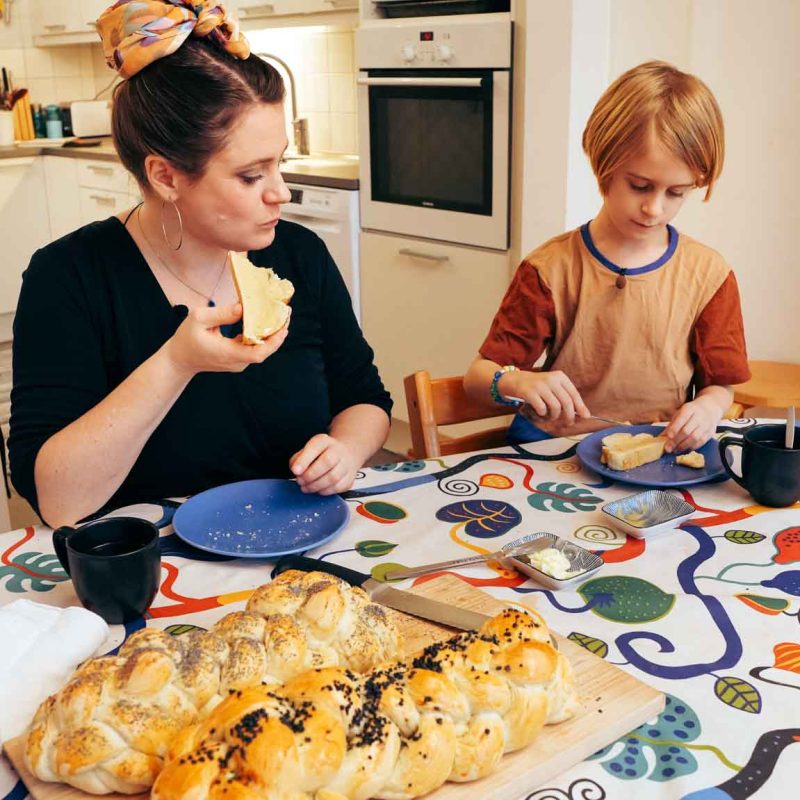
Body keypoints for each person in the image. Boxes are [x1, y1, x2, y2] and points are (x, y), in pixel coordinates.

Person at [9, 0, 391, 528]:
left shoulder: (300, 256)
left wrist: (345, 450)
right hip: (155, 573)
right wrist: (176, 362)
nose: (281, 192)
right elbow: (59, 501)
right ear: (165, 177)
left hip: (297, 545)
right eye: (251, 176)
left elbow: (366, 399)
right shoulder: (69, 278)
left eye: (279, 163)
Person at [464, 60, 750, 451]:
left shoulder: (709, 275)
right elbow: (478, 377)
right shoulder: (550, 269)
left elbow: (721, 386)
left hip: (656, 452)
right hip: (553, 448)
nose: (654, 208)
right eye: (639, 185)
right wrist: (516, 381)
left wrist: (708, 407)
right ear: (604, 164)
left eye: (676, 193)